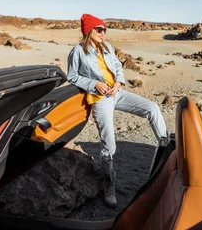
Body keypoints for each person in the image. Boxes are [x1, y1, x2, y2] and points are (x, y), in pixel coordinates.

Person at [67, 13, 168, 208]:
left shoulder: (107, 47)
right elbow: (72, 77)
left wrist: (119, 82)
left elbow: (118, 68)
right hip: (99, 99)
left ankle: (168, 149)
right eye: (99, 29)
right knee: (109, 145)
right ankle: (109, 183)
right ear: (88, 30)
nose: (103, 32)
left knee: (152, 108)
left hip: (117, 93)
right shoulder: (78, 51)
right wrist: (94, 83)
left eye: (104, 29)